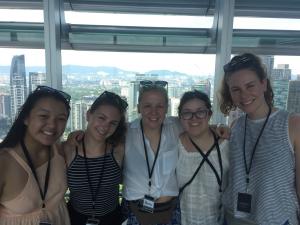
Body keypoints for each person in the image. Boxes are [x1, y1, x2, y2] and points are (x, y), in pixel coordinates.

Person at [219, 53, 300, 225]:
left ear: (264, 84)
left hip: (276, 220)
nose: (244, 95)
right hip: (234, 218)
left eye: (250, 85)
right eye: (236, 89)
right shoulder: (236, 126)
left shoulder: (292, 125)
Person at [0, 85, 71, 225]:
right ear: (26, 118)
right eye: (44, 116)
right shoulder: (4, 162)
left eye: (61, 119)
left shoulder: (61, 151)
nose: (52, 125)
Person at [64, 91, 128, 225]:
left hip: (112, 219)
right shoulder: (68, 150)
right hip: (75, 219)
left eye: (113, 123)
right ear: (88, 115)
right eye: (101, 118)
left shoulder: (119, 150)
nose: (105, 126)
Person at [122, 81, 181, 225]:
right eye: (147, 106)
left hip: (171, 211)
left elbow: (201, 126)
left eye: (159, 106)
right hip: (137, 212)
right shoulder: (125, 132)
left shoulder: (177, 127)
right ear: (138, 108)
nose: (153, 112)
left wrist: (221, 128)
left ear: (166, 108)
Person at [176, 90, 229, 225]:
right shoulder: (174, 144)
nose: (194, 118)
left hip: (218, 220)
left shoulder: (227, 144)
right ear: (180, 117)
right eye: (187, 113)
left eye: (200, 112)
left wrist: (221, 126)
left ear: (209, 114)